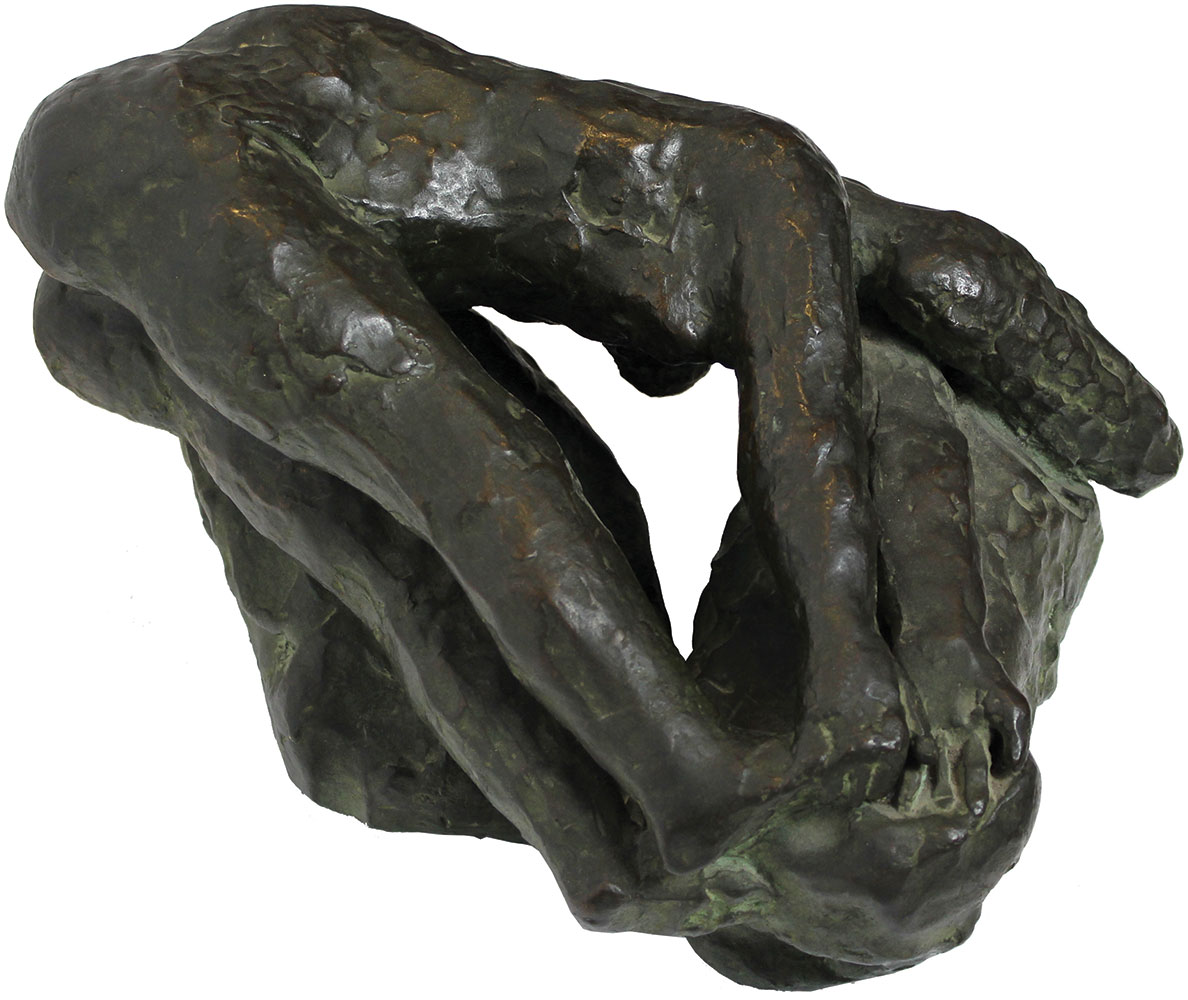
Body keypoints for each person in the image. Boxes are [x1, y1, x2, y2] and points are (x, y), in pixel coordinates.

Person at [7, 5, 1178, 877]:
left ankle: (626, 829)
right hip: (187, 165)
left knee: (176, 385)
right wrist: (844, 670)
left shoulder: (751, 207)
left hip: (247, 127)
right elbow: (788, 447)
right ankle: (686, 790)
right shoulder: (772, 192)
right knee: (475, 463)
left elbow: (816, 440)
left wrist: (889, 652)